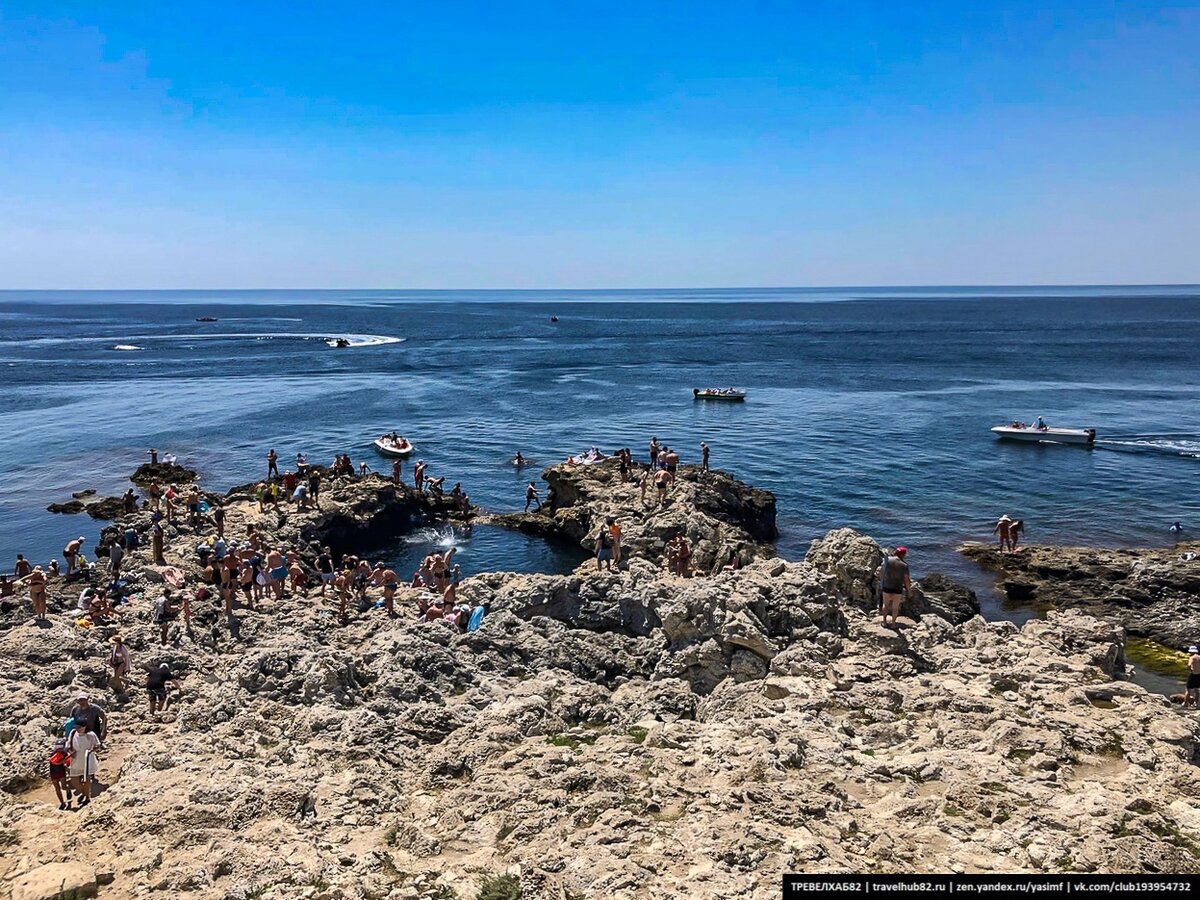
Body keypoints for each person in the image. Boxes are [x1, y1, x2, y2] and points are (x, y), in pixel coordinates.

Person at [66, 719, 100, 807]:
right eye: (76, 727)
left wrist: (91, 750)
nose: (77, 729)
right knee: (74, 780)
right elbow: (68, 744)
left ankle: (87, 797)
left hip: (87, 758)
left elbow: (98, 745)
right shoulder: (73, 733)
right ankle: (84, 793)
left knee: (87, 779)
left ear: (85, 727)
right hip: (76, 760)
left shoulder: (91, 735)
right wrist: (70, 751)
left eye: (79, 727)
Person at [877, 547, 912, 628]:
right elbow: (906, 579)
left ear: (895, 553)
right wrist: (909, 591)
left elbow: (881, 571)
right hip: (897, 588)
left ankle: (885, 622)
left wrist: (881, 579)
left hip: (887, 587)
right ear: (904, 555)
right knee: (895, 608)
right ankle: (893, 624)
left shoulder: (888, 560)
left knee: (885, 605)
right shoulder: (904, 565)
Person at [49, 738, 71, 810]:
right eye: (57, 747)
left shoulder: (65, 753)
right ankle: (62, 803)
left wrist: (67, 767)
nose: (59, 749)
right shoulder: (53, 753)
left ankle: (68, 790)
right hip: (53, 772)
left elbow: (67, 763)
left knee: (63, 787)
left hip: (61, 771)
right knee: (57, 789)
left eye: (60, 748)